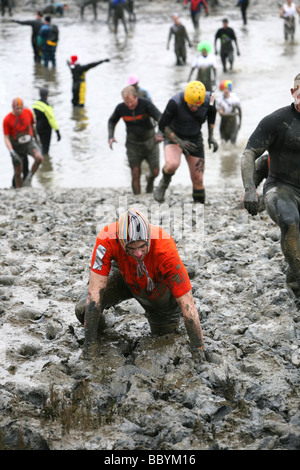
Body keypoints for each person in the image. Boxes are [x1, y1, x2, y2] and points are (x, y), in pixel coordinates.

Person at [75, 208, 205, 361]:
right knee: (83, 309)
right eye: (131, 248)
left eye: (142, 247)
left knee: (164, 336)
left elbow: (187, 305)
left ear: (149, 239)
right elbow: (95, 292)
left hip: (155, 287)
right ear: (121, 241)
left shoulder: (165, 248)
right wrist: (89, 347)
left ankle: (185, 271)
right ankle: (105, 330)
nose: (137, 253)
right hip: (123, 275)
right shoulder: (107, 237)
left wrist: (198, 351)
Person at [241, 73, 300, 298]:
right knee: (290, 221)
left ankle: (293, 276)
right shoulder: (277, 121)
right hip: (281, 187)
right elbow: (249, 154)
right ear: (293, 93)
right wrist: (249, 189)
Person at [154, 80, 218, 204]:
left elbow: (212, 115)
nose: (194, 107)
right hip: (173, 135)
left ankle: (199, 205)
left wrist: (211, 136)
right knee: (172, 164)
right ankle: (163, 183)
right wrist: (178, 141)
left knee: (198, 178)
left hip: (194, 138)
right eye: (191, 105)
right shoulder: (175, 102)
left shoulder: (210, 100)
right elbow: (162, 125)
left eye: (197, 105)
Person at [108, 86, 162, 194]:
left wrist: (159, 134)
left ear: (136, 97)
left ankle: (150, 181)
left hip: (150, 142)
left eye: (131, 102)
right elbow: (111, 121)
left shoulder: (146, 104)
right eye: (126, 102)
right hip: (133, 144)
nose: (129, 105)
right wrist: (111, 136)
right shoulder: (121, 108)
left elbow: (161, 118)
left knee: (155, 172)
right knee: (135, 172)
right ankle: (137, 197)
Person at [3, 97, 44, 188]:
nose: (19, 110)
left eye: (21, 108)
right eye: (17, 108)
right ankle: (19, 189)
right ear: (13, 108)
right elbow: (6, 137)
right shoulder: (7, 119)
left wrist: (37, 142)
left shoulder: (28, 112)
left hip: (29, 142)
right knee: (18, 171)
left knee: (39, 158)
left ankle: (29, 179)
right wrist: (11, 151)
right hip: (16, 146)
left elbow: (33, 127)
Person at [32, 87, 61, 155]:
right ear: (47, 96)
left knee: (41, 145)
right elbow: (52, 120)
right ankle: (45, 161)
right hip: (46, 130)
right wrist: (57, 131)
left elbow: (33, 117)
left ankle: (42, 160)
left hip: (38, 128)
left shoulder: (35, 105)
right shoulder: (47, 107)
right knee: (46, 148)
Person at [216, 79, 242, 144]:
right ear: (222, 89)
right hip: (224, 125)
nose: (225, 90)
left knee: (233, 143)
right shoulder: (220, 101)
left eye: (227, 89)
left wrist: (240, 123)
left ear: (229, 89)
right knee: (224, 143)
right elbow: (220, 113)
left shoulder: (235, 99)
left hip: (233, 125)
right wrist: (233, 114)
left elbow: (240, 111)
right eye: (224, 89)